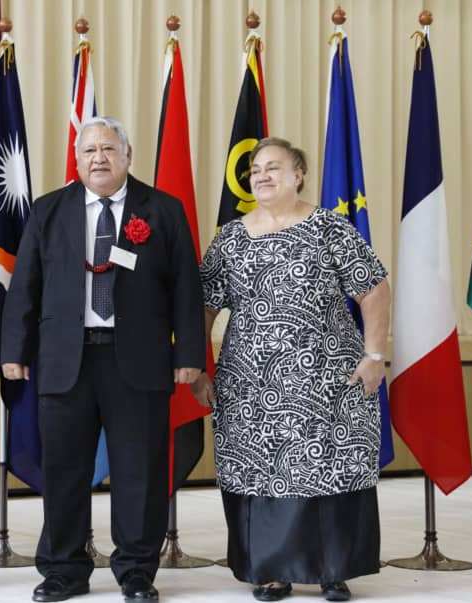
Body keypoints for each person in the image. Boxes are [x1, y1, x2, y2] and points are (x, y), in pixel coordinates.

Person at [1, 116, 205, 602]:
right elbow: (25, 286)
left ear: (127, 155)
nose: (99, 158)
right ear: (77, 159)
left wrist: (190, 353)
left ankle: (136, 570)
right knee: (65, 472)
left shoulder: (163, 209)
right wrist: (14, 350)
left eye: (109, 149)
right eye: (89, 150)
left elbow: (185, 288)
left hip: (139, 361)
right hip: (64, 361)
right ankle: (63, 571)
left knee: (140, 471)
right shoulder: (49, 210)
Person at [192, 137, 389, 603]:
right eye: (255, 169)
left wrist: (375, 355)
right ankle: (270, 571)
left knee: (330, 469)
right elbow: (202, 309)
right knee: (259, 474)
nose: (261, 175)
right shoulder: (230, 238)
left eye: (273, 167)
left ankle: (331, 570)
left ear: (298, 174)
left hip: (329, 379)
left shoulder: (329, 228)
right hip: (251, 386)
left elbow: (374, 290)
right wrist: (201, 370)